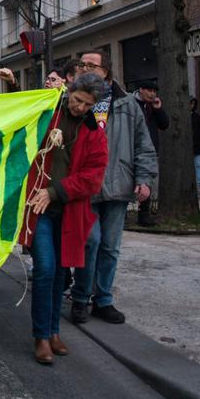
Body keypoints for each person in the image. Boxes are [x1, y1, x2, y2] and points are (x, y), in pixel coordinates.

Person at [20, 73, 108, 364]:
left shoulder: (95, 132)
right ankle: (41, 336)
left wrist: (56, 191)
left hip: (68, 211)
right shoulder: (48, 114)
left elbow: (93, 178)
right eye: (78, 100)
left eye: (88, 104)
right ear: (70, 91)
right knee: (45, 269)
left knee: (60, 272)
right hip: (40, 208)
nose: (80, 107)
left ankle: (54, 330)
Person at [70, 50, 157, 325]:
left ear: (106, 71)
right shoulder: (72, 101)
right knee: (90, 242)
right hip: (86, 187)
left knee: (110, 246)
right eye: (82, 65)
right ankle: (81, 297)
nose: (85, 69)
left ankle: (103, 300)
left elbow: (143, 144)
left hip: (118, 183)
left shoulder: (127, 105)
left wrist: (144, 179)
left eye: (91, 65)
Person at [132, 80, 168, 227]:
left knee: (147, 182)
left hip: (150, 149)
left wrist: (158, 109)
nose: (152, 94)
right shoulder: (132, 103)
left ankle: (144, 214)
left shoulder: (153, 106)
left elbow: (164, 124)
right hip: (133, 147)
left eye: (154, 91)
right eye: (149, 90)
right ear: (141, 90)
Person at [192, 98, 200, 197]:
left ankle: (199, 187)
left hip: (197, 147)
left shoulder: (196, 117)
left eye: (193, 104)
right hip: (191, 147)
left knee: (198, 166)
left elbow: (198, 133)